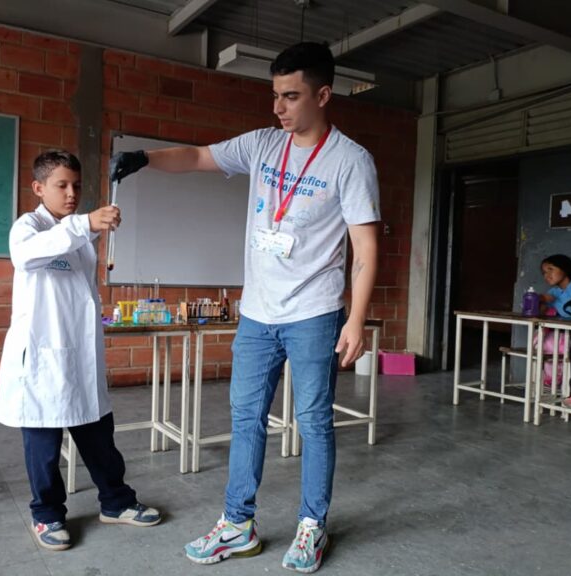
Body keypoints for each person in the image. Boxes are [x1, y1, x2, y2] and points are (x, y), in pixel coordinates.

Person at [110, 42, 379, 573]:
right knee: (247, 417)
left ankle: (311, 526)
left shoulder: (351, 160)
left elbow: (367, 248)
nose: (278, 108)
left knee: (313, 421)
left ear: (323, 95)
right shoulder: (261, 144)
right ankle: (238, 525)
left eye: (291, 96)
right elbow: (198, 156)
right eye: (275, 95)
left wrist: (354, 319)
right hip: (257, 312)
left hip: (314, 312)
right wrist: (146, 159)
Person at [0, 150, 161, 552]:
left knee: (98, 435)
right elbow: (28, 256)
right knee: (43, 446)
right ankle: (47, 514)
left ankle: (116, 502)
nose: (71, 193)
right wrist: (84, 222)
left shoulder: (81, 236)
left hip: (80, 355)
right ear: (39, 188)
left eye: (76, 185)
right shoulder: (28, 228)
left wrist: (85, 228)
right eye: (61, 185)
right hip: (41, 356)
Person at [539, 254, 571, 409]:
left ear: (565, 268)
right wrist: (537, 299)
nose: (547, 274)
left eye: (551, 269)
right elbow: (546, 298)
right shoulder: (555, 292)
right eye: (544, 272)